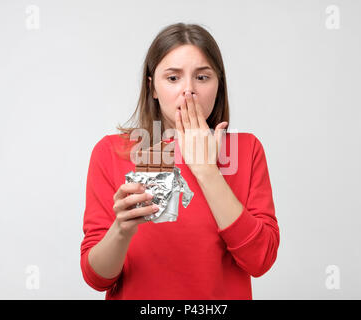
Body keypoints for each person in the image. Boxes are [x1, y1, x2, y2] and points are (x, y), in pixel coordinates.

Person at [80, 23, 280, 300]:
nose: (188, 91)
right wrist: (121, 230)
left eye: (202, 77)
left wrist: (207, 170)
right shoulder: (111, 153)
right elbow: (97, 278)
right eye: (173, 78)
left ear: (218, 85)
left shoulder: (246, 150)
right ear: (153, 88)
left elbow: (260, 259)